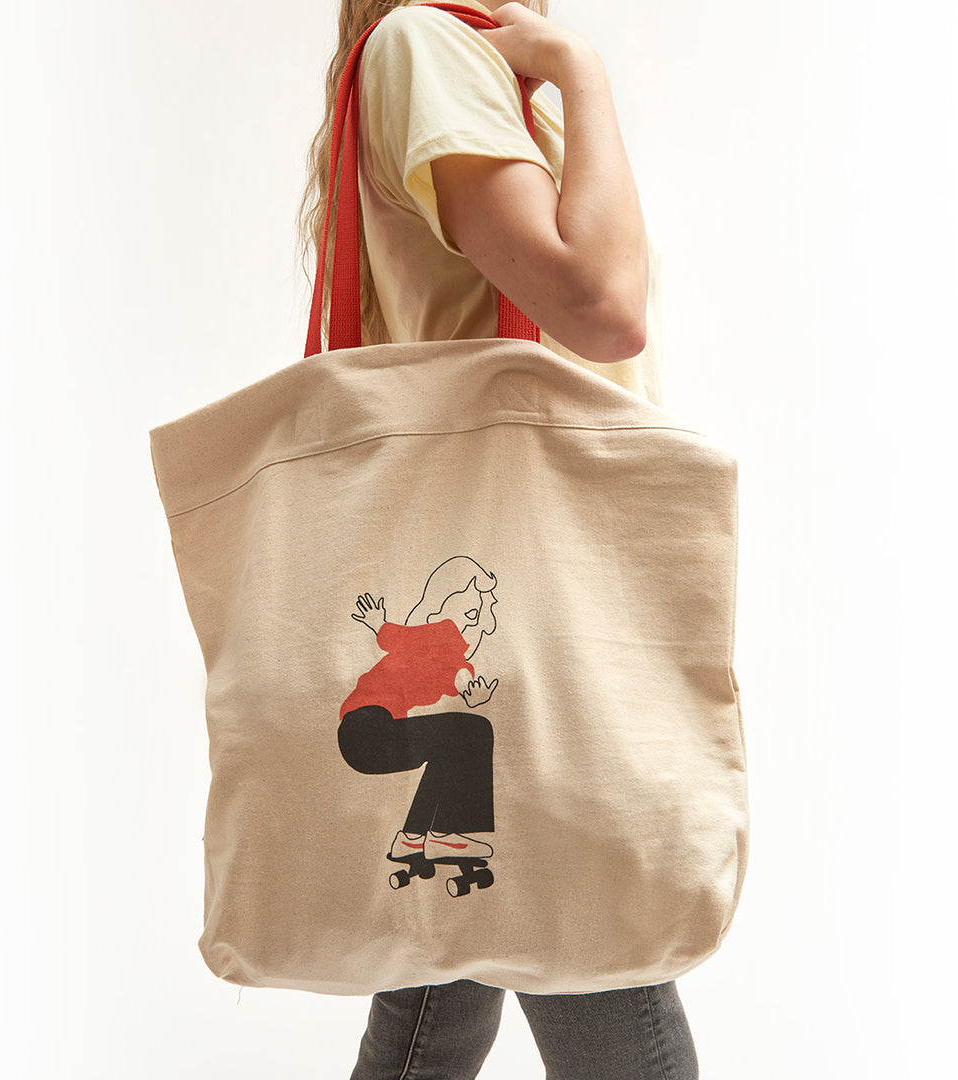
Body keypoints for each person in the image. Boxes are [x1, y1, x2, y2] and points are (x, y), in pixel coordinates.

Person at [295, 2, 697, 1077]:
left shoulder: (456, 58)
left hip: (514, 581)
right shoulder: (430, 47)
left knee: (443, 982)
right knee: (597, 942)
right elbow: (601, 306)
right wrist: (581, 71)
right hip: (534, 595)